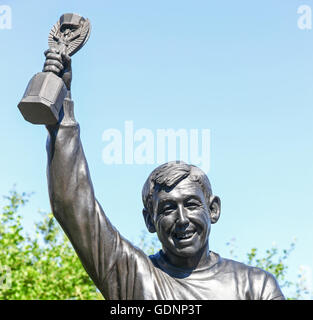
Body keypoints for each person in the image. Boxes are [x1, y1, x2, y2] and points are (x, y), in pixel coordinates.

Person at [43, 48, 285, 300]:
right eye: (168, 209)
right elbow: (73, 205)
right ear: (149, 221)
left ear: (213, 209)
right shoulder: (134, 275)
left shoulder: (256, 286)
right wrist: (61, 111)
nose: (182, 219)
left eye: (191, 204)